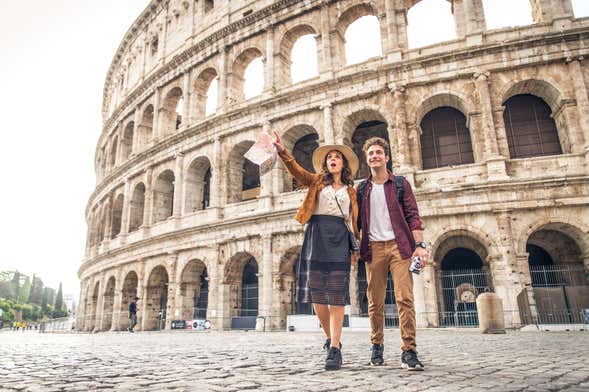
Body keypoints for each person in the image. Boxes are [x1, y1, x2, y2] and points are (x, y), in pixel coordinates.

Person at [273, 131, 359, 371]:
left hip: (340, 237)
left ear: (343, 164)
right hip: (317, 234)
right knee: (318, 295)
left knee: (337, 295)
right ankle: (331, 337)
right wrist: (282, 152)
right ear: (326, 163)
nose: (333, 159)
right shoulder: (316, 182)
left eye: (337, 157)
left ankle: (334, 348)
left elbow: (355, 221)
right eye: (329, 157)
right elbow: (296, 171)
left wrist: (356, 248)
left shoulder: (352, 191)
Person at [356, 137, 429, 370]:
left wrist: (420, 246)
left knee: (404, 297)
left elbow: (413, 215)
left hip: (400, 246)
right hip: (373, 248)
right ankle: (377, 344)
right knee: (374, 301)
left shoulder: (400, 184)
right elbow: (356, 221)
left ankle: (409, 350)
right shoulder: (362, 189)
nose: (374, 156)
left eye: (378, 152)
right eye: (371, 154)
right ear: (367, 160)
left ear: (386, 157)